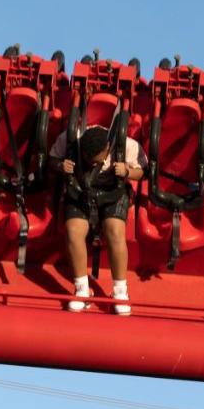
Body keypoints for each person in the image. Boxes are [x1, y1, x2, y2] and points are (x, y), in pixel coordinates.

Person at [50, 124, 145, 314]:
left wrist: (127, 171)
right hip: (80, 191)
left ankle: (120, 292)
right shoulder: (70, 138)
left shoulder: (127, 145)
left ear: (107, 149)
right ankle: (82, 289)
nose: (93, 164)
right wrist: (61, 166)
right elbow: (51, 159)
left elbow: (142, 171)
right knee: (73, 231)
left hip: (113, 193)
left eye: (97, 162)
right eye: (89, 161)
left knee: (115, 230)